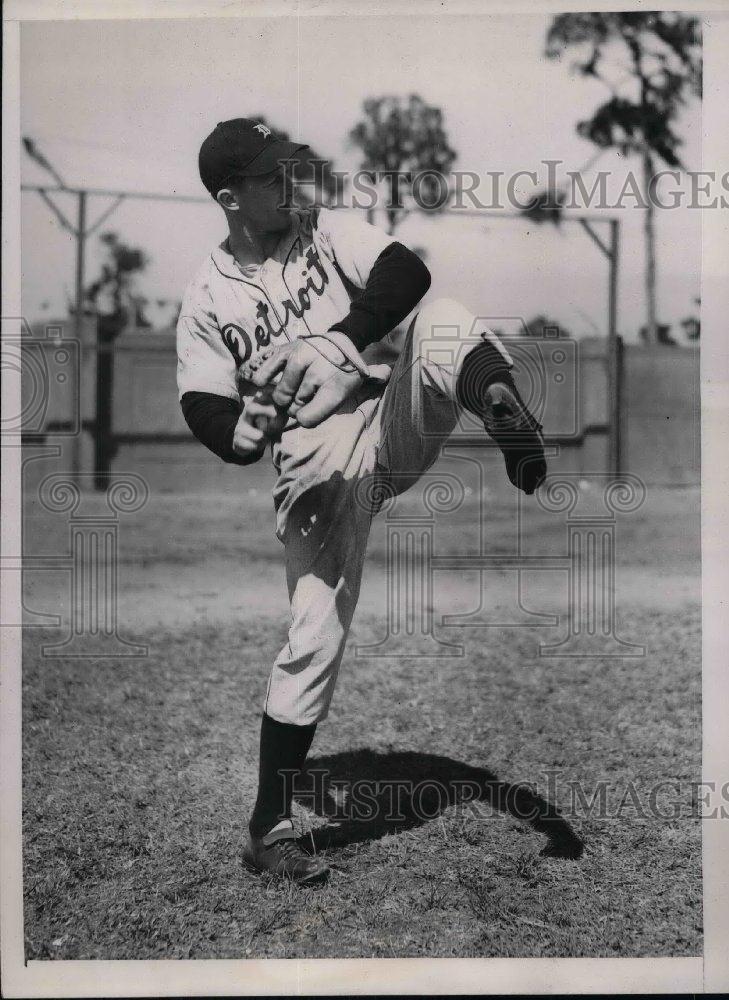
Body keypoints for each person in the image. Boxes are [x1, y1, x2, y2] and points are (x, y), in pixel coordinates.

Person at [177, 118, 547, 885]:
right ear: (227, 197)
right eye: (268, 175)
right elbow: (200, 397)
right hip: (313, 465)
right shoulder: (206, 295)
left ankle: (499, 402)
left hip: (381, 416)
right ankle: (266, 829)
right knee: (313, 635)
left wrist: (338, 342)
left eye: (288, 167)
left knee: (442, 321)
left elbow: (404, 272)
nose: (288, 182)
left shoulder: (320, 231)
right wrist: (236, 433)